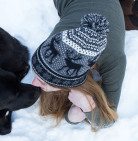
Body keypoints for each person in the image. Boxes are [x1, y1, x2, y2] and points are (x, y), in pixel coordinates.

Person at [31, 0, 126, 131]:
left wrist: (87, 108)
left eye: (42, 81)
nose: (34, 83)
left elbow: (109, 119)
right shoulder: (57, 42)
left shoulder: (114, 59)